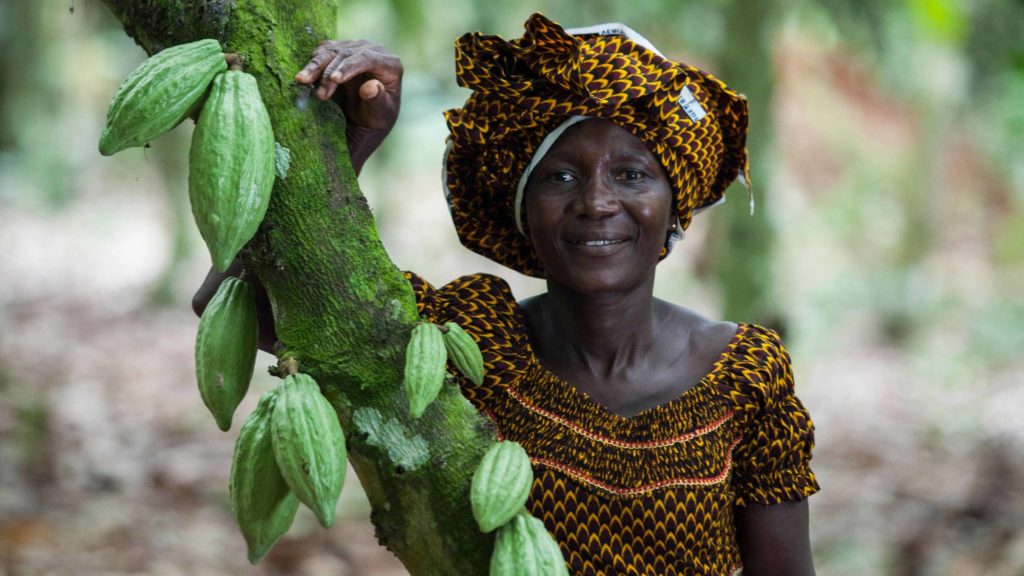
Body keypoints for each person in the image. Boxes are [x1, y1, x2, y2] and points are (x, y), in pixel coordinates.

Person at [198, 13, 818, 576]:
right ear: (523, 209)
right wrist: (352, 143)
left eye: (632, 174)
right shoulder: (469, 342)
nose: (597, 202)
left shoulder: (745, 375)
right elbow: (233, 307)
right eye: (561, 176)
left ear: (673, 206)